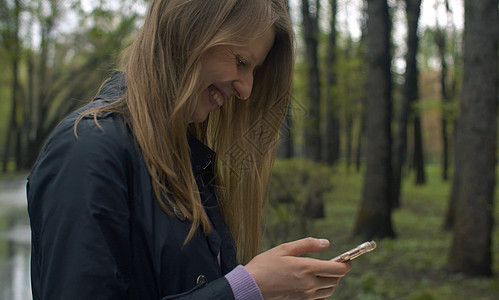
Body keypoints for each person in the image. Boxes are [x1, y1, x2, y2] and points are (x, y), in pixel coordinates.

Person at [27, 0, 352, 299]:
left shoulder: (185, 160)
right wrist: (246, 288)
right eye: (240, 61)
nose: (246, 89)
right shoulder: (88, 150)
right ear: (189, 31)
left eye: (253, 71)